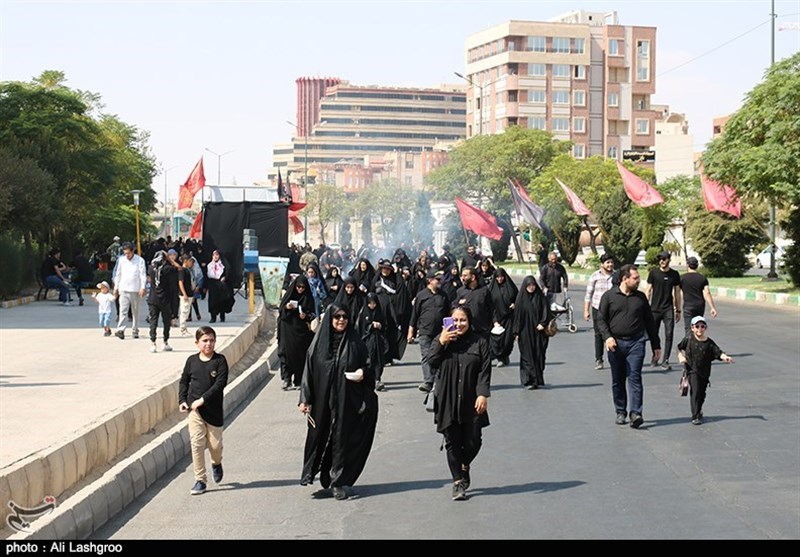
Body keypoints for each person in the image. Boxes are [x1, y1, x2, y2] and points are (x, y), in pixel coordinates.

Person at [298, 305, 378, 501]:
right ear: (330, 320)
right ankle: (319, 473)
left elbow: (369, 367)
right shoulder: (318, 345)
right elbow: (308, 371)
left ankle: (338, 481)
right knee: (320, 436)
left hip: (347, 400)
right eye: (337, 317)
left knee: (342, 438)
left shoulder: (355, 343)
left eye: (344, 317)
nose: (341, 320)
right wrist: (304, 398)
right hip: (322, 401)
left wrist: (363, 374)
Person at [426, 305, 491, 501]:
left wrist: (482, 394)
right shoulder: (443, 339)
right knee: (452, 442)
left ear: (469, 322)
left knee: (474, 441)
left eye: (463, 320)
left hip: (472, 400)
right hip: (448, 398)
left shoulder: (480, 342)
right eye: (455, 320)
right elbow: (431, 362)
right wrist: (441, 341)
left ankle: (464, 465)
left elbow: (484, 370)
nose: (459, 324)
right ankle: (457, 483)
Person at [596, 264, 661, 429]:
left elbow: (650, 322)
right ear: (625, 279)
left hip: (636, 343)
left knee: (635, 376)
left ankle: (636, 413)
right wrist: (607, 337)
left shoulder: (640, 298)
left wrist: (656, 345)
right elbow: (601, 320)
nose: (638, 281)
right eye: (635, 278)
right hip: (615, 344)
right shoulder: (609, 296)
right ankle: (620, 411)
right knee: (618, 379)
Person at [178, 326, 229, 495]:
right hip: (195, 411)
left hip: (213, 411)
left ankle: (216, 463)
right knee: (197, 444)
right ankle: (200, 480)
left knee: (215, 446)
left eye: (211, 340)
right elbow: (184, 381)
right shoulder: (191, 361)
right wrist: (182, 401)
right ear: (197, 343)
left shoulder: (220, 361)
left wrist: (203, 400)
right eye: (205, 341)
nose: (208, 344)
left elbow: (219, 385)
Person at [677, 315, 734, 425]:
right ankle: (695, 415)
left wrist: (725, 357)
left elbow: (718, 352)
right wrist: (680, 356)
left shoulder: (709, 343)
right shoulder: (688, 339)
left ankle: (699, 409)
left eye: (702, 326)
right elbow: (678, 347)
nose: (699, 329)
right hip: (692, 370)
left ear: (705, 328)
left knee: (702, 393)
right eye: (697, 326)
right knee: (695, 391)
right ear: (692, 328)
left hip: (704, 372)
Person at [408, 269, 450, 392]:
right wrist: (411, 332)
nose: (439, 281)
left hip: (440, 333)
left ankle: (438, 380)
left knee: (439, 355)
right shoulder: (421, 295)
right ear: (429, 280)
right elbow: (414, 315)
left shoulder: (443, 295)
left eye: (440, 279)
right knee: (426, 356)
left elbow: (449, 313)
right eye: (437, 279)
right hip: (425, 332)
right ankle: (428, 381)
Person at [277, 274, 316, 391]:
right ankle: (286, 379)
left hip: (301, 331)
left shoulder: (308, 298)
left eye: (303, 287)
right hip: (287, 329)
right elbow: (281, 312)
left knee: (300, 355)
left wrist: (306, 316)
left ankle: (299, 380)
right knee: (285, 353)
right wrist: (287, 308)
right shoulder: (289, 295)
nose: (300, 289)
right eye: (298, 287)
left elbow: (313, 314)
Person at [645, 251, 682, 371]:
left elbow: (677, 292)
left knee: (669, 334)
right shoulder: (654, 273)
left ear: (669, 260)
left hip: (668, 309)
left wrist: (678, 309)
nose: (662, 261)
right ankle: (655, 356)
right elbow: (648, 290)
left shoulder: (674, 274)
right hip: (654, 309)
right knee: (653, 335)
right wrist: (644, 307)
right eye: (660, 259)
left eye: (664, 259)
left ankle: (665, 360)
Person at [512, 276, 551, 389]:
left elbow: (546, 311)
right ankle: (529, 380)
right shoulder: (520, 299)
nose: (531, 288)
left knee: (539, 356)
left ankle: (537, 379)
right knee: (526, 356)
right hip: (525, 333)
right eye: (529, 286)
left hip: (539, 333)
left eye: (533, 285)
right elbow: (517, 317)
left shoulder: (540, 298)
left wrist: (543, 323)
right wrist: (516, 333)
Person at [373, 260, 412, 363]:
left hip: (392, 313)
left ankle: (389, 356)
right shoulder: (377, 279)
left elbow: (401, 296)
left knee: (391, 334)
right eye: (383, 268)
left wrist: (398, 312)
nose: (385, 271)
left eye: (387, 269)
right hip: (379, 312)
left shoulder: (397, 279)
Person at [583, 253, 617, 370]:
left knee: (612, 334)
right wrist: (586, 310)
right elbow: (589, 294)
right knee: (598, 335)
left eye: (611, 262)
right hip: (598, 308)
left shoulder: (616, 276)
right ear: (602, 264)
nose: (610, 265)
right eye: (607, 262)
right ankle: (599, 359)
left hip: (613, 310)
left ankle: (614, 359)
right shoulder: (595, 276)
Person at [146, 250, 180, 353]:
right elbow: (179, 268)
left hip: (152, 299)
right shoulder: (168, 269)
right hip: (165, 299)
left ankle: (153, 343)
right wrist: (170, 259)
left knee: (153, 321)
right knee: (166, 322)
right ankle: (165, 342)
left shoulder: (151, 269)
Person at [112, 242, 147, 340]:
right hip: (123, 289)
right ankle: (121, 329)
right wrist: (116, 288)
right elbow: (118, 274)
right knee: (123, 310)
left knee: (135, 311)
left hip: (135, 289)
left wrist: (142, 287)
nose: (127, 255)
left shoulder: (140, 260)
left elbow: (142, 274)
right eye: (125, 253)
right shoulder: (121, 260)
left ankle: (135, 329)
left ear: (133, 251)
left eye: (129, 253)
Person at [680, 256, 718, 336]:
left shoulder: (682, 278)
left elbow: (676, 293)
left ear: (687, 265)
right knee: (698, 326)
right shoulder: (702, 278)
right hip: (699, 306)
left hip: (688, 306)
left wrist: (675, 306)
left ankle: (690, 346)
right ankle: (698, 344)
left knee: (689, 328)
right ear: (697, 266)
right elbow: (707, 293)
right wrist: (712, 307)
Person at [358, 292, 388, 391]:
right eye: (370, 303)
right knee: (369, 360)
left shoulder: (380, 312)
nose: (372, 305)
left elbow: (385, 325)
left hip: (378, 340)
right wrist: (371, 325)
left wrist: (380, 325)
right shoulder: (364, 313)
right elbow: (362, 327)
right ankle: (370, 380)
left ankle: (378, 379)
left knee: (379, 360)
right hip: (368, 340)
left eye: (374, 303)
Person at [488, 267, 518, 368]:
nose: (500, 279)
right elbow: (489, 305)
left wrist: (515, 304)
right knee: (496, 340)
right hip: (496, 318)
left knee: (507, 340)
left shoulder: (511, 287)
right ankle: (499, 357)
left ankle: (504, 356)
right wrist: (494, 320)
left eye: (501, 277)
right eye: (497, 277)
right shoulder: (491, 289)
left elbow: (518, 298)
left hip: (509, 317)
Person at [456, 266, 494, 337]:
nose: (462, 278)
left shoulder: (484, 291)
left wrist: (490, 325)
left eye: (465, 276)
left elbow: (491, 309)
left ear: (473, 277)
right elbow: (454, 309)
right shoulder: (460, 292)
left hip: (482, 331)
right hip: (466, 331)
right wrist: (459, 304)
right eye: (462, 276)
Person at [206, 249, 234, 323]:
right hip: (212, 285)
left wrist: (225, 277)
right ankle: (213, 317)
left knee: (221, 301)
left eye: (217, 255)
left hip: (221, 285)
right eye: (214, 255)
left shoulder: (223, 265)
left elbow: (228, 273)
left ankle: (222, 316)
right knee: (212, 302)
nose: (215, 256)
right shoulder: (209, 265)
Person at [177, 254, 196, 335]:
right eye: (190, 261)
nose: (191, 263)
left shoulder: (188, 270)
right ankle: (182, 329)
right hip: (185, 294)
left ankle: (184, 328)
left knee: (187, 311)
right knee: (184, 312)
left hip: (189, 293)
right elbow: (180, 282)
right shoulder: (182, 270)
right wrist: (184, 294)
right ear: (185, 261)